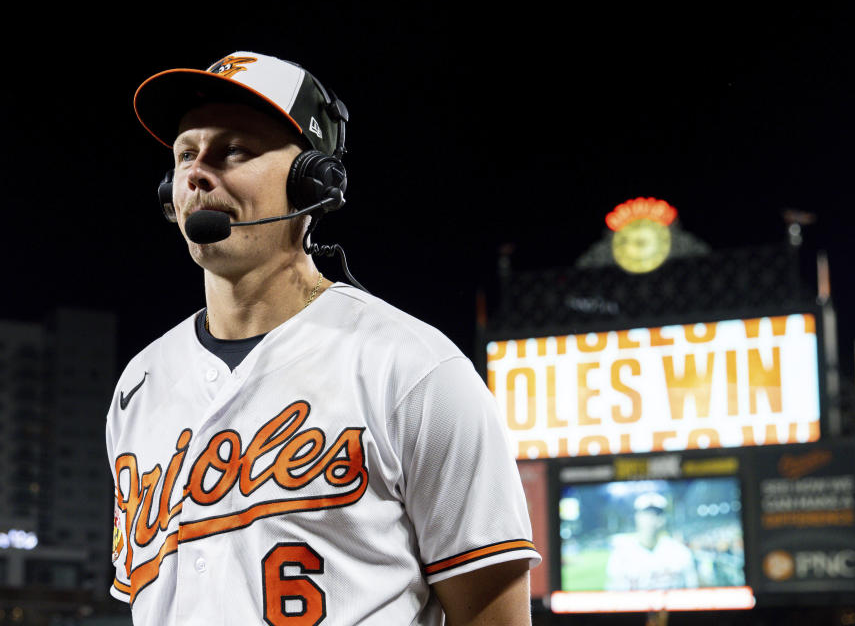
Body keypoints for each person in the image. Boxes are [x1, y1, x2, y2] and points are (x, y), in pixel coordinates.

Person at [106, 51, 539, 625]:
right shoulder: (139, 384)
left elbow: (493, 616)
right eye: (186, 154)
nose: (196, 173)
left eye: (233, 151)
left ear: (314, 182)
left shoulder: (413, 368)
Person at [605, 492, 698, 591]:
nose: (651, 518)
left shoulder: (680, 552)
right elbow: (614, 597)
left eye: (657, 513)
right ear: (637, 517)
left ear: (664, 519)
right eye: (646, 513)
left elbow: (692, 591)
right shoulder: (621, 555)